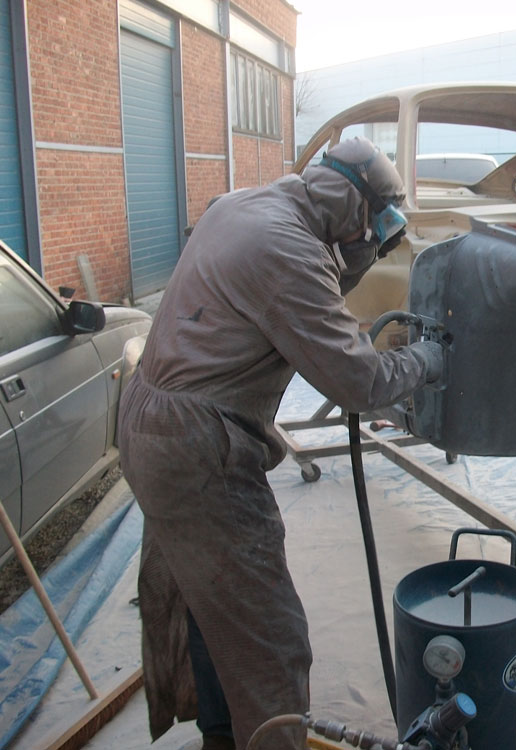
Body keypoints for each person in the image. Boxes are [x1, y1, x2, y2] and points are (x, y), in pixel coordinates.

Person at [117, 137, 443, 750]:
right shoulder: (288, 249)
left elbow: (306, 306)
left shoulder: (244, 205)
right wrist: (425, 360)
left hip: (151, 424)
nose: (374, 241)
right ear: (353, 206)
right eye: (377, 226)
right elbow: (359, 381)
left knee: (208, 602)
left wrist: (356, 255)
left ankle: (222, 735)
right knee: (270, 641)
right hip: (195, 450)